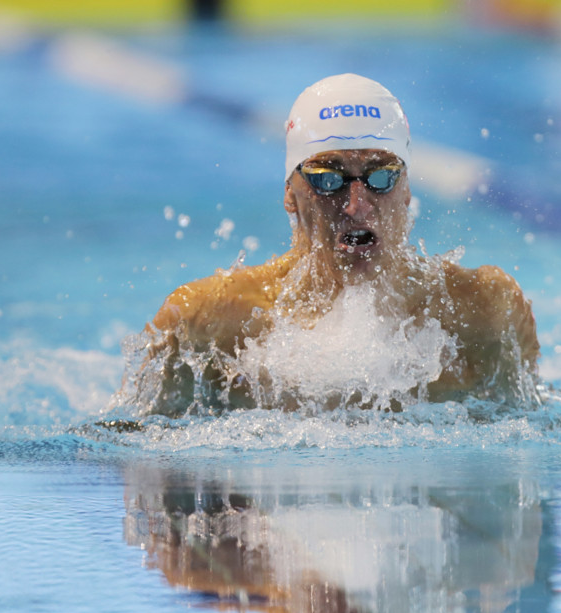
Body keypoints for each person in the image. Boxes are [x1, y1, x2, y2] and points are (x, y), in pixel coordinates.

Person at [135, 74, 540, 415]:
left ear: (407, 192)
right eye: (327, 178)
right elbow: (133, 453)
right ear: (291, 194)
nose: (357, 205)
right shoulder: (209, 323)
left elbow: (533, 441)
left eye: (381, 176)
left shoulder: (483, 312)